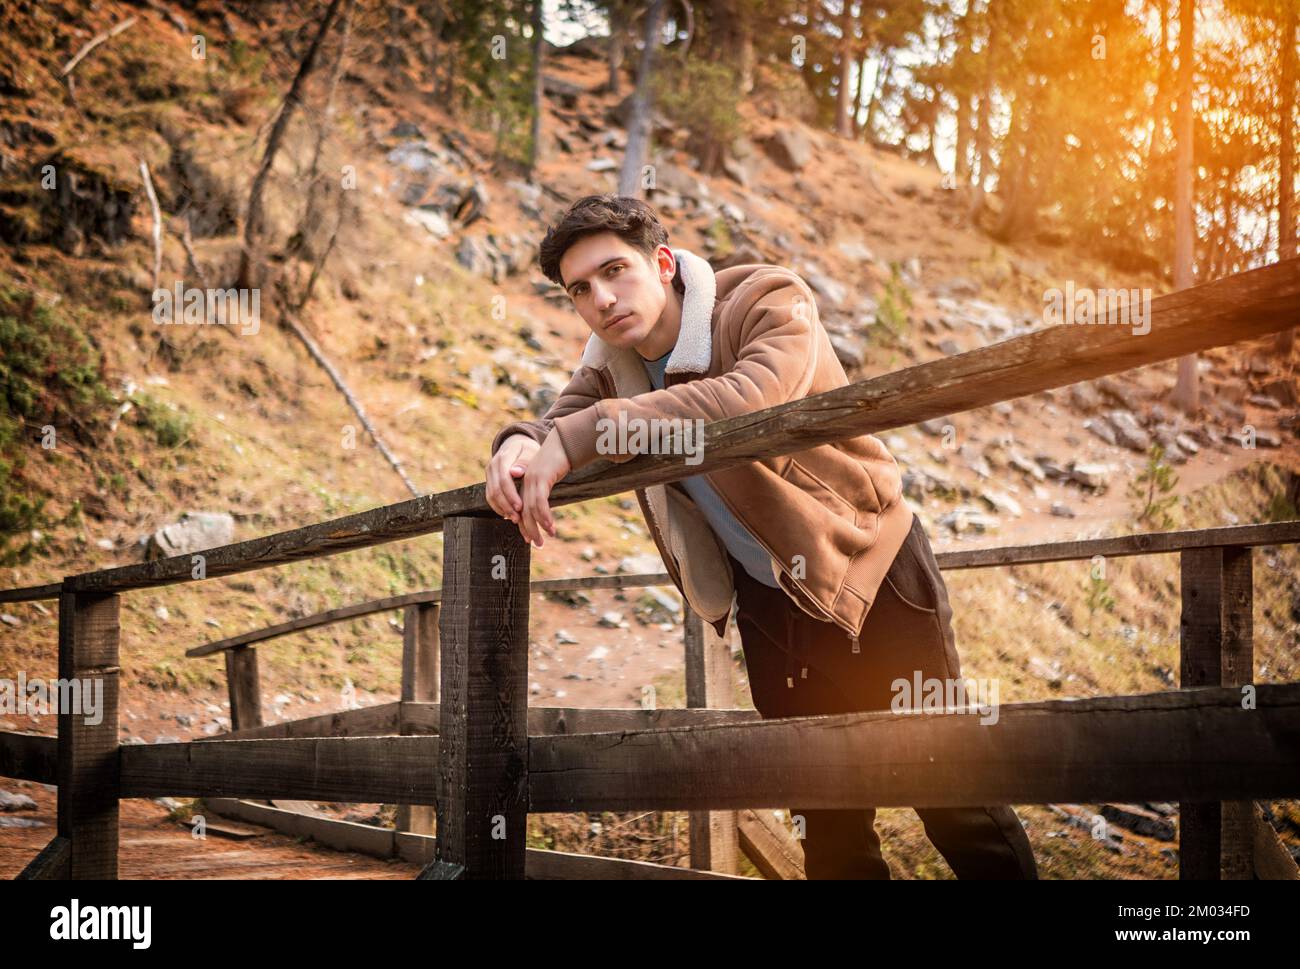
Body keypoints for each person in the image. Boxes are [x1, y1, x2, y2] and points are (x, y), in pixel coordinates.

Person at [485, 193, 1037, 879]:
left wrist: (589, 430)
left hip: (871, 573)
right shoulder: (610, 366)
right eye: (580, 289)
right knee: (828, 824)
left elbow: (752, 395)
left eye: (615, 270)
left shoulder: (765, 298)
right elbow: (551, 424)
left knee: (955, 799)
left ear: (663, 263)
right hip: (772, 607)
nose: (601, 298)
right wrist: (514, 444)